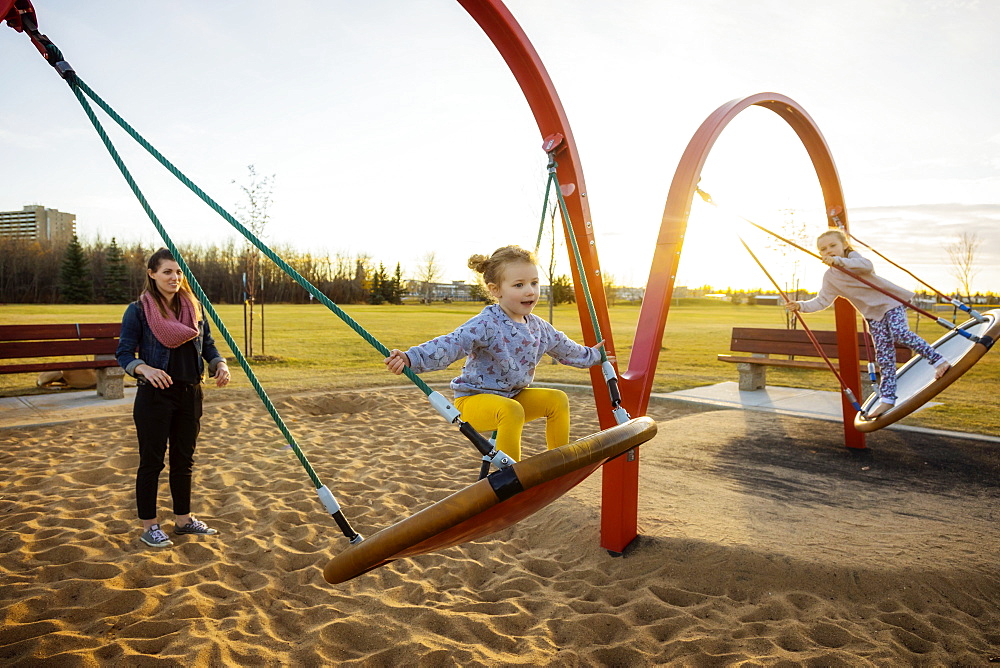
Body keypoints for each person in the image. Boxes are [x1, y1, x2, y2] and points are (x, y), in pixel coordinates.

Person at [385, 245, 610, 461]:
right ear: (496, 290)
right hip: (473, 402)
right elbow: (451, 344)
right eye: (519, 285)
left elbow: (565, 348)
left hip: (512, 396)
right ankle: (512, 474)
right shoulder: (486, 323)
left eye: (534, 282)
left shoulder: (538, 327)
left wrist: (594, 356)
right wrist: (411, 358)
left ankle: (561, 458)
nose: (530, 291)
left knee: (557, 399)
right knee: (511, 411)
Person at [116, 248, 231, 548]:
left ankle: (183, 520)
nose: (174, 277)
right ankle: (150, 526)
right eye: (167, 271)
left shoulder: (194, 307)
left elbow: (208, 344)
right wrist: (144, 368)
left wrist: (220, 363)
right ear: (152, 274)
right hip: (155, 396)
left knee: (184, 460)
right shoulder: (139, 311)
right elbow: (124, 353)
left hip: (190, 393)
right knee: (151, 462)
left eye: (178, 272)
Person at [784, 229, 950, 419]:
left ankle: (938, 361)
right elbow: (821, 301)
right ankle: (887, 399)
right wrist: (800, 305)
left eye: (833, 246)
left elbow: (866, 266)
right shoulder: (830, 277)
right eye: (823, 249)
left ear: (844, 245)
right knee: (884, 355)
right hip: (873, 315)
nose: (828, 251)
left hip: (891, 303)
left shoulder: (854, 260)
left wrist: (839, 261)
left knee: (900, 333)